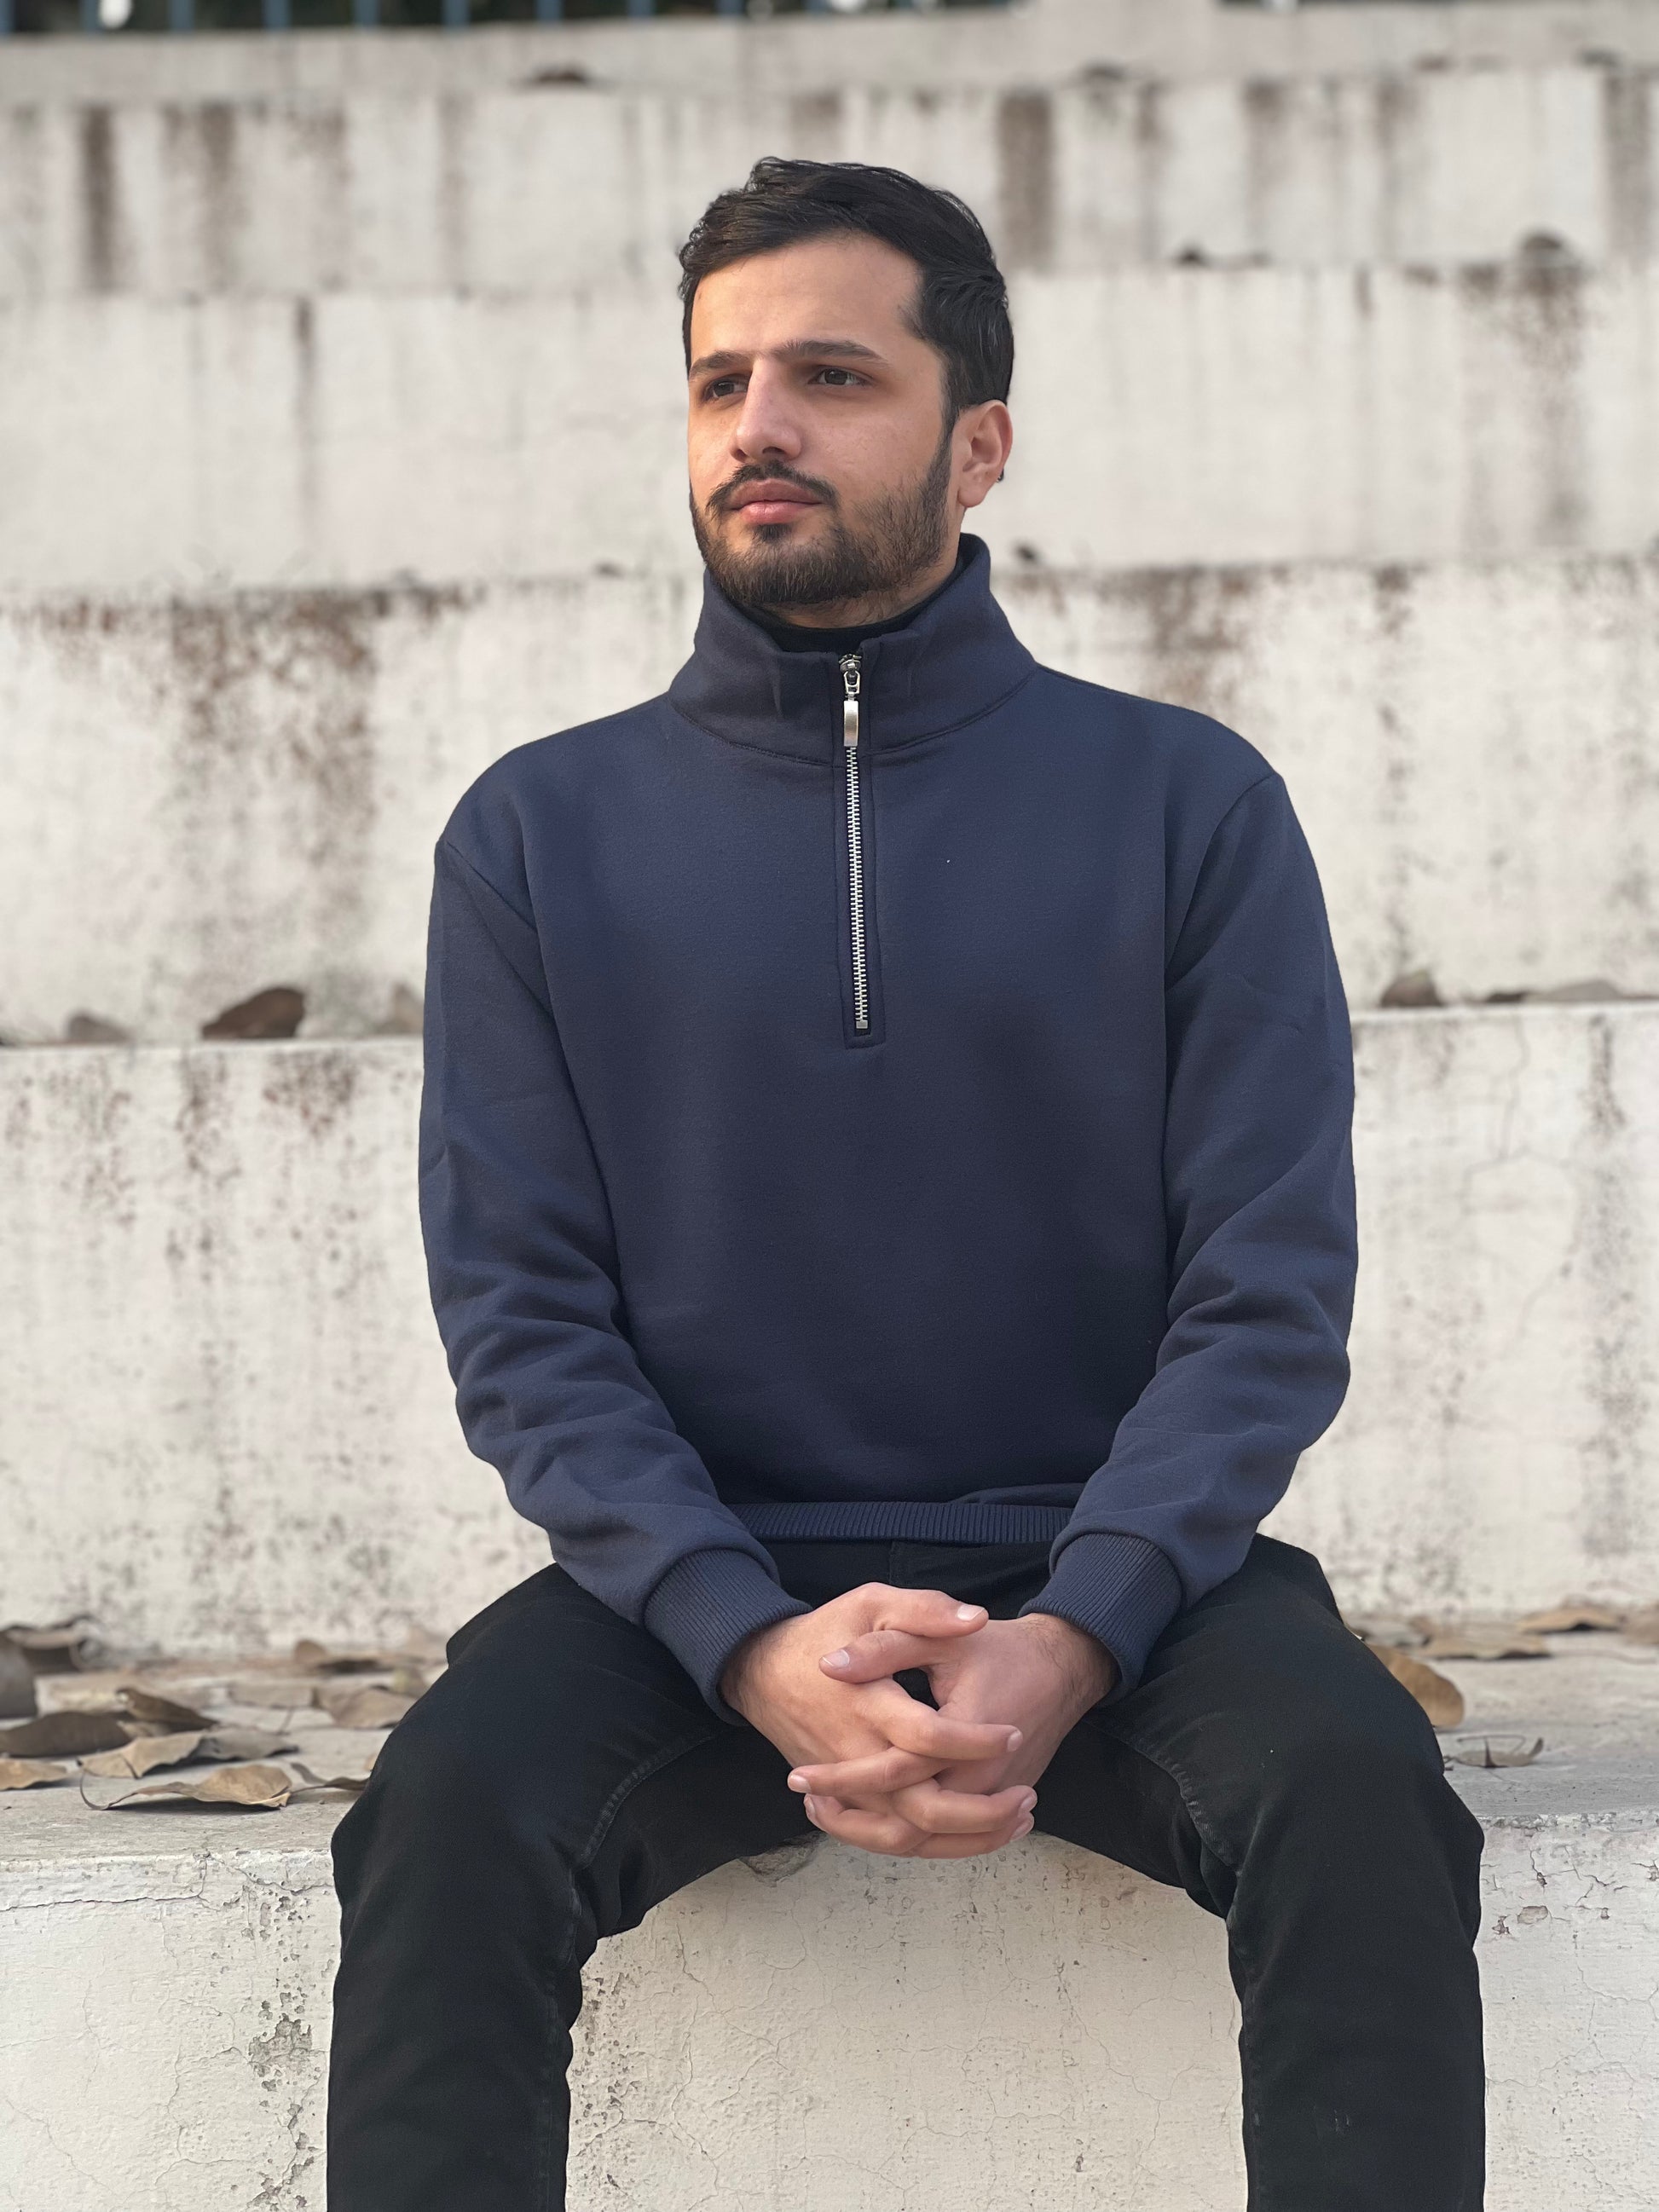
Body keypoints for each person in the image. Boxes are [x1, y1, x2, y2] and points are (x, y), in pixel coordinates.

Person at [327, 158, 1483, 2211]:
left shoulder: (1187, 805)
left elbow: (1263, 1292)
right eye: (719, 382)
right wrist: (745, 1638)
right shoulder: (535, 834)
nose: (757, 424)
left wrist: (1080, 1630)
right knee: (444, 1812)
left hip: (1117, 1575)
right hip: (696, 1588)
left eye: (832, 376)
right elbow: (524, 1321)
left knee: (1356, 1788)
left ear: (978, 444)